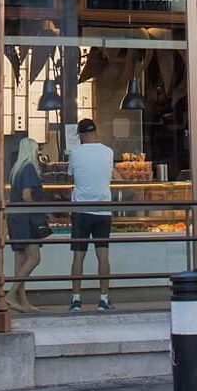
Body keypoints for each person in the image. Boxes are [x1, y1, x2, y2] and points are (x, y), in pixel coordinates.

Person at [67, 118, 115, 312]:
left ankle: (76, 299)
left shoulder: (75, 153)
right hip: (103, 209)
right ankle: (103, 299)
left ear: (81, 135)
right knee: (103, 255)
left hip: (80, 209)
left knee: (79, 255)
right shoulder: (108, 151)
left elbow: (70, 177)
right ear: (95, 132)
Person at [6, 137, 45, 312]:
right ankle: (10, 294)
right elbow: (26, 195)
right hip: (26, 218)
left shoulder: (16, 169)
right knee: (34, 257)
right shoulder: (29, 168)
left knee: (20, 261)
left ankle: (23, 303)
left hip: (15, 218)